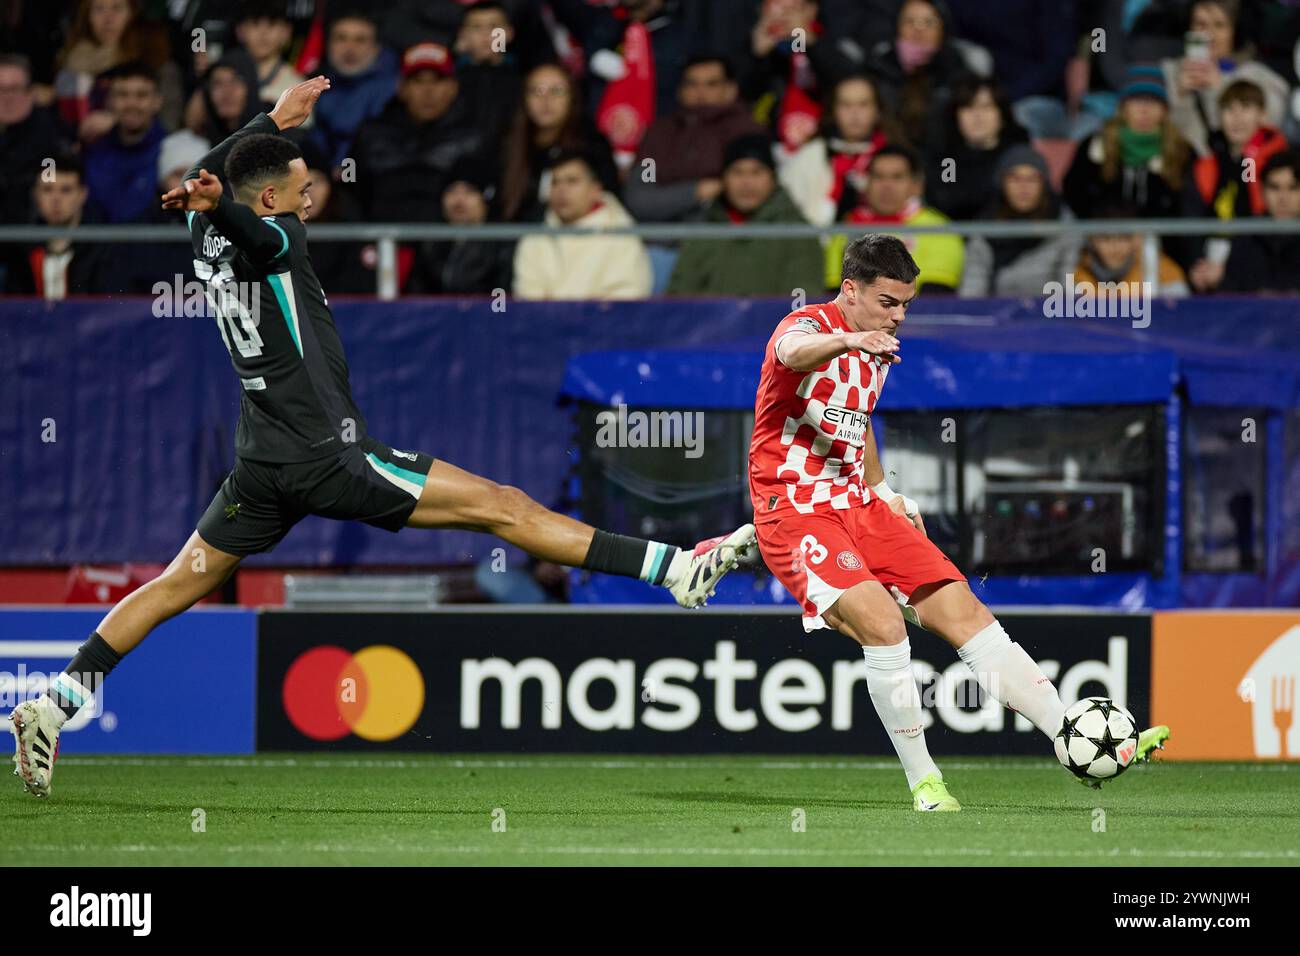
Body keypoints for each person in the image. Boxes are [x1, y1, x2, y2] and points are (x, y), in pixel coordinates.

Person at [8, 78, 755, 800]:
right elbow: (244, 211)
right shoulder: (274, 239)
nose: (311, 198)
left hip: (262, 464)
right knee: (503, 505)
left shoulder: (203, 223)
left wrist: (272, 118)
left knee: (176, 585)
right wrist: (256, 152)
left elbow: (220, 176)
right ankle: (673, 570)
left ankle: (55, 704)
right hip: (328, 457)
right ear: (270, 202)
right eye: (300, 189)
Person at [747, 232, 1171, 811]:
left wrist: (884, 490)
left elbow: (857, 420)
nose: (898, 317)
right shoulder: (804, 326)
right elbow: (793, 355)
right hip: (795, 512)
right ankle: (925, 783)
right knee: (884, 625)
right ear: (850, 290)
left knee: (964, 611)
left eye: (905, 306)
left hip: (858, 505)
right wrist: (850, 338)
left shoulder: (877, 348)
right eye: (888, 303)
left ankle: (1073, 739)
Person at [666, 133, 823, 296]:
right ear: (724, 179)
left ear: (773, 178)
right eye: (737, 172)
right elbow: (680, 298)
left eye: (757, 172)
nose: (747, 182)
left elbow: (804, 303)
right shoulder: (704, 231)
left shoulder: (798, 234)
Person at [348, 42, 486, 223]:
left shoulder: (473, 138)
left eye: (437, 80)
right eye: (418, 81)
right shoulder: (370, 134)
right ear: (402, 88)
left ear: (453, 88)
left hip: (446, 244)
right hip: (381, 241)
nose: (428, 91)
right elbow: (349, 191)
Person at [623, 54, 764, 223]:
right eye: (692, 84)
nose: (701, 92)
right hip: (659, 241)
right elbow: (640, 197)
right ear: (680, 91)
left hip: (723, 237)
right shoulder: (659, 134)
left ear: (730, 90)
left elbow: (753, 193)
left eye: (712, 84)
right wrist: (696, 192)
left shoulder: (746, 132)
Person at [1184, 79, 1290, 293]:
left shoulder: (1280, 162)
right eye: (1229, 109)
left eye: (1246, 108)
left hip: (1259, 264)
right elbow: (1191, 221)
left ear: (1262, 115)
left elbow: (1264, 220)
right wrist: (1195, 265)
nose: (1237, 118)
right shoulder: (1206, 165)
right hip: (1209, 261)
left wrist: (1229, 268)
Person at [513, 150, 652, 299]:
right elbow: (527, 300)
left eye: (572, 181)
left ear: (595, 190)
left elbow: (627, 299)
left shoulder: (622, 235)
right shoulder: (534, 239)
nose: (561, 190)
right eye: (555, 182)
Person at [1160, 0, 1290, 157]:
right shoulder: (1170, 71)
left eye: (1219, 25)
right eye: (1200, 24)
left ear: (1234, 31)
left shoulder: (1260, 77)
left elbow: (1269, 125)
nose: (1209, 35)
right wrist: (1180, 97)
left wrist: (1221, 89)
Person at [1063, 64, 1191, 223]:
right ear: (1123, 107)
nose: (1144, 109)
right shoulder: (1094, 146)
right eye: (1137, 101)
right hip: (1103, 238)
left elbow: (1187, 206)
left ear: (1164, 110)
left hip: (1160, 240)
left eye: (1153, 101)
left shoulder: (1181, 150)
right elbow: (1074, 193)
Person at [829, 143, 964, 293]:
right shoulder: (847, 226)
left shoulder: (938, 229)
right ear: (866, 184)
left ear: (916, 185)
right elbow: (834, 293)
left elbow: (935, 297)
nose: (887, 186)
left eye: (897, 177)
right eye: (878, 177)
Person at [500, 62, 618, 221]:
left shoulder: (592, 146)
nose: (546, 100)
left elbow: (608, 200)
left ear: (572, 97)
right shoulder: (510, 143)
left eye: (556, 91)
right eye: (536, 92)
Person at [958, 145, 1080, 298]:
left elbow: (1069, 285)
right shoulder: (986, 226)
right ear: (1002, 183)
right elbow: (973, 285)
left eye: (1032, 179)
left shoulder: (1064, 225)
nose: (1023, 187)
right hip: (998, 314)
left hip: (1049, 314)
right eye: (1015, 179)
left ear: (1044, 184)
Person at [778, 73, 896, 228]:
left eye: (863, 104)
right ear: (833, 111)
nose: (855, 114)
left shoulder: (895, 158)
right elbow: (788, 214)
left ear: (878, 111)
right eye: (846, 105)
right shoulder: (810, 156)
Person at [3, 155, 121, 296]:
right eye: (47, 189)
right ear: (35, 195)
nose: (56, 199)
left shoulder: (103, 250)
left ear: (82, 194)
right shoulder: (21, 249)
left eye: (66, 190)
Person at [925, 77, 1029, 222]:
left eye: (986, 107)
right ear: (956, 116)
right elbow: (945, 198)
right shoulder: (947, 159)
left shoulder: (1019, 156)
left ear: (1002, 114)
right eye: (968, 107)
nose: (977, 116)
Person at [407, 160, 514, 294]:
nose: (458, 200)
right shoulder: (430, 241)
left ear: (486, 199)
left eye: (469, 192)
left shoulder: (502, 243)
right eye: (451, 191)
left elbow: (502, 300)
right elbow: (415, 295)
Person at [81, 61, 167, 223]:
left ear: (157, 102)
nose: (131, 104)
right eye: (122, 95)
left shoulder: (171, 151)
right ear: (110, 102)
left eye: (141, 95)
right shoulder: (93, 151)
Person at [313, 10, 398, 168]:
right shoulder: (317, 85)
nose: (349, 48)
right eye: (341, 38)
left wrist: (345, 172)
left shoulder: (394, 89)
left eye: (360, 40)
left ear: (377, 47)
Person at [0, 53, 74, 225]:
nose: (7, 98)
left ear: (31, 93)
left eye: (14, 89)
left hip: (32, 234)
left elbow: (51, 186)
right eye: (1, 90)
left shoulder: (53, 140)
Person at [1218, 149, 1300, 293]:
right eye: (1274, 188)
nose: (1283, 198)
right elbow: (1229, 302)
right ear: (1262, 191)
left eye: (1293, 188)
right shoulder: (1245, 240)